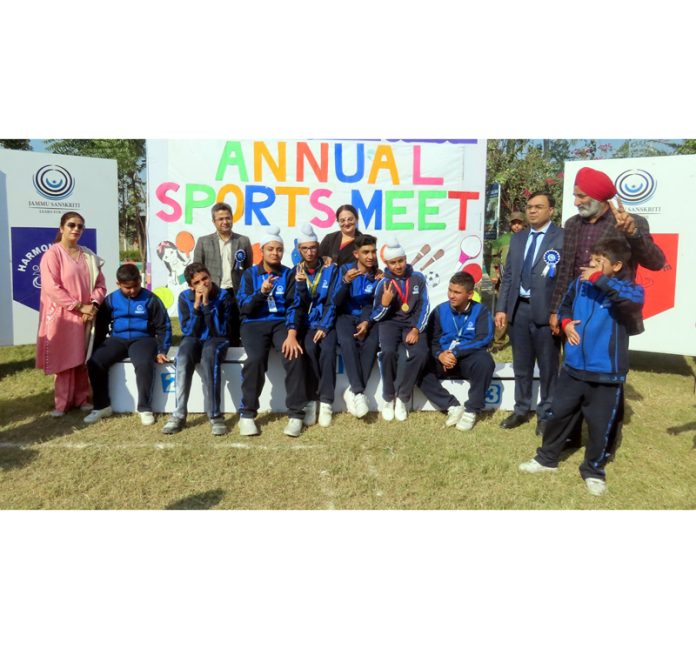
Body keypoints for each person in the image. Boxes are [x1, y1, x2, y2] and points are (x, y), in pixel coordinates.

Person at [548, 166, 665, 449]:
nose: (575, 201)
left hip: (611, 315)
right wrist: (556, 310)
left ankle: (606, 441)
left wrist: (634, 233)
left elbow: (657, 262)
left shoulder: (629, 222)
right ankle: (571, 435)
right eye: (575, 195)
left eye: (581, 195)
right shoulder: (573, 224)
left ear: (600, 197)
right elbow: (566, 268)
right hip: (577, 313)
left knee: (608, 380)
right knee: (573, 373)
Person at [519, 238, 644, 496]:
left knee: (600, 425)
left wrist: (599, 278)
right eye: (592, 259)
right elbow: (564, 306)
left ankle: (594, 470)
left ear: (617, 266)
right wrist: (565, 323)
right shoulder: (578, 284)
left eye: (600, 261)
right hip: (574, 366)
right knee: (558, 414)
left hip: (606, 373)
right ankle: (546, 459)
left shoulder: (628, 289)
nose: (592, 265)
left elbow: (634, 304)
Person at [495, 192, 564, 435]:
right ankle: (521, 409)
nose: (532, 211)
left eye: (539, 207)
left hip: (546, 313)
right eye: (529, 207)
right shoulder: (518, 238)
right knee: (521, 366)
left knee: (548, 367)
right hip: (518, 310)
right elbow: (509, 276)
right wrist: (502, 307)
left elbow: (565, 280)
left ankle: (546, 413)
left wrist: (558, 312)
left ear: (551, 211)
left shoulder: (562, 238)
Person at [235, 225, 308, 437]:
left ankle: (296, 414)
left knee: (294, 355)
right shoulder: (249, 274)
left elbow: (295, 305)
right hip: (253, 323)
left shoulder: (289, 273)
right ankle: (247, 414)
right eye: (271, 249)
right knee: (255, 359)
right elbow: (244, 307)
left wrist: (292, 333)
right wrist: (261, 292)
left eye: (279, 249)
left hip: (281, 323)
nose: (275, 253)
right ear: (262, 251)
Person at [36, 211, 106, 417]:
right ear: (62, 228)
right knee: (65, 360)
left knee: (83, 357)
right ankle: (62, 403)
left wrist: (92, 304)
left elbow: (100, 285)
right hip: (62, 315)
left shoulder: (88, 256)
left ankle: (82, 398)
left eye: (80, 226)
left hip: (86, 314)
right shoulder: (53, 254)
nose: (76, 229)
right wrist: (78, 306)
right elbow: (51, 288)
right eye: (71, 225)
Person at [84, 264, 172, 426]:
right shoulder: (110, 300)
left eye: (136, 286)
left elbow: (164, 326)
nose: (132, 290)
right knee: (95, 362)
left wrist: (162, 349)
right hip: (117, 339)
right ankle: (102, 406)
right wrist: (97, 350)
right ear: (118, 284)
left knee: (144, 363)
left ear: (140, 280)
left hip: (143, 339)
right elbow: (102, 327)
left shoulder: (151, 299)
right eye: (127, 288)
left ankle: (145, 408)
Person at [161, 263, 236, 436]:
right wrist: (196, 307)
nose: (203, 284)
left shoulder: (223, 295)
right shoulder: (184, 297)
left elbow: (221, 331)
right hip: (195, 339)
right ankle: (179, 414)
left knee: (209, 353)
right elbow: (188, 331)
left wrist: (207, 304)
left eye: (205, 278)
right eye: (197, 282)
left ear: (210, 277)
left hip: (218, 340)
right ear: (191, 286)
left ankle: (215, 415)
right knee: (184, 354)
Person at [417, 271, 495, 431]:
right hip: (443, 360)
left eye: (457, 292)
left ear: (469, 294)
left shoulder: (481, 311)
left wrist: (456, 352)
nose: (451, 295)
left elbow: (484, 338)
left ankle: (472, 410)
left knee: (485, 362)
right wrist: (440, 355)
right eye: (450, 290)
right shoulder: (439, 311)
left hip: (466, 359)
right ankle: (451, 406)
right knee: (417, 366)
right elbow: (430, 340)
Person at [371, 237, 430, 421]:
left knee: (421, 353)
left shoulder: (417, 278)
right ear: (386, 264)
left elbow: (425, 305)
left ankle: (403, 397)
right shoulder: (383, 283)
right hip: (390, 323)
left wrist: (416, 329)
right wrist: (385, 304)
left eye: (400, 261)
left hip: (411, 323)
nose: (397, 266)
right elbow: (376, 316)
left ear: (405, 258)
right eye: (393, 263)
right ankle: (388, 397)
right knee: (388, 352)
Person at [294, 224, 340, 428]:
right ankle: (312, 401)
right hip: (308, 324)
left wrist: (324, 325)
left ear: (319, 247)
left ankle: (327, 402)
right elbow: (298, 304)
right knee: (309, 349)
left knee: (328, 350)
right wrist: (301, 286)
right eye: (305, 249)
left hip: (327, 322)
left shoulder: (331, 268)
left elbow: (333, 300)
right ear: (299, 251)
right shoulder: (296, 272)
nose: (310, 252)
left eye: (313, 247)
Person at [333, 234, 382, 418]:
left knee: (372, 342)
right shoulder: (344, 270)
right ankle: (359, 392)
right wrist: (345, 282)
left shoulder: (378, 274)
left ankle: (353, 391)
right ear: (356, 254)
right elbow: (335, 301)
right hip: (345, 316)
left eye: (373, 252)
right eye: (365, 252)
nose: (370, 256)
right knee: (347, 341)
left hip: (367, 318)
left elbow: (376, 304)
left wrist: (367, 322)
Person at [193, 202, 250, 345]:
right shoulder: (203, 241)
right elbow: (196, 269)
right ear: (214, 221)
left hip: (235, 291)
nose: (225, 222)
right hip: (213, 290)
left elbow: (248, 268)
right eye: (221, 219)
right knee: (214, 324)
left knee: (234, 325)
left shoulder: (243, 240)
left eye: (228, 218)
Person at [490, 212, 527, 352]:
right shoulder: (502, 240)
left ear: (524, 223)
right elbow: (494, 259)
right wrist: (494, 274)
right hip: (505, 281)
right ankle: (498, 342)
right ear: (510, 224)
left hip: (523, 281)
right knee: (502, 309)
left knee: (520, 311)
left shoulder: (528, 237)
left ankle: (519, 340)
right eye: (513, 223)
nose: (516, 226)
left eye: (519, 223)